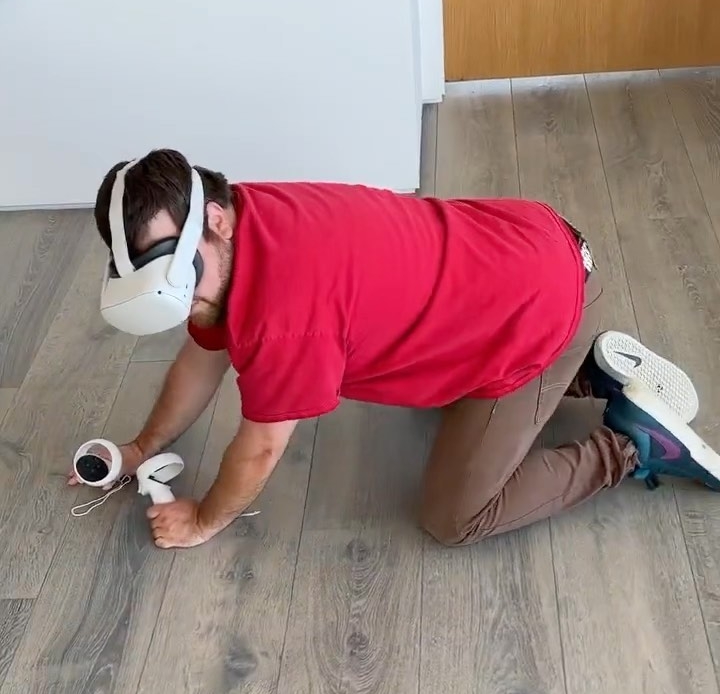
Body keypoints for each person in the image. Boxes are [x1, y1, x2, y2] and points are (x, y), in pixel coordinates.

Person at [69, 149, 720, 549]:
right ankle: (583, 372)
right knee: (435, 395)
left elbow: (262, 446)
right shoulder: (244, 219)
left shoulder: (282, 315)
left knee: (454, 516)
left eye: (182, 278)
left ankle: (634, 443)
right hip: (524, 242)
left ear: (212, 221)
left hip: (542, 304)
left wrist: (205, 521)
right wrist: (142, 448)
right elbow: (202, 356)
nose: (183, 300)